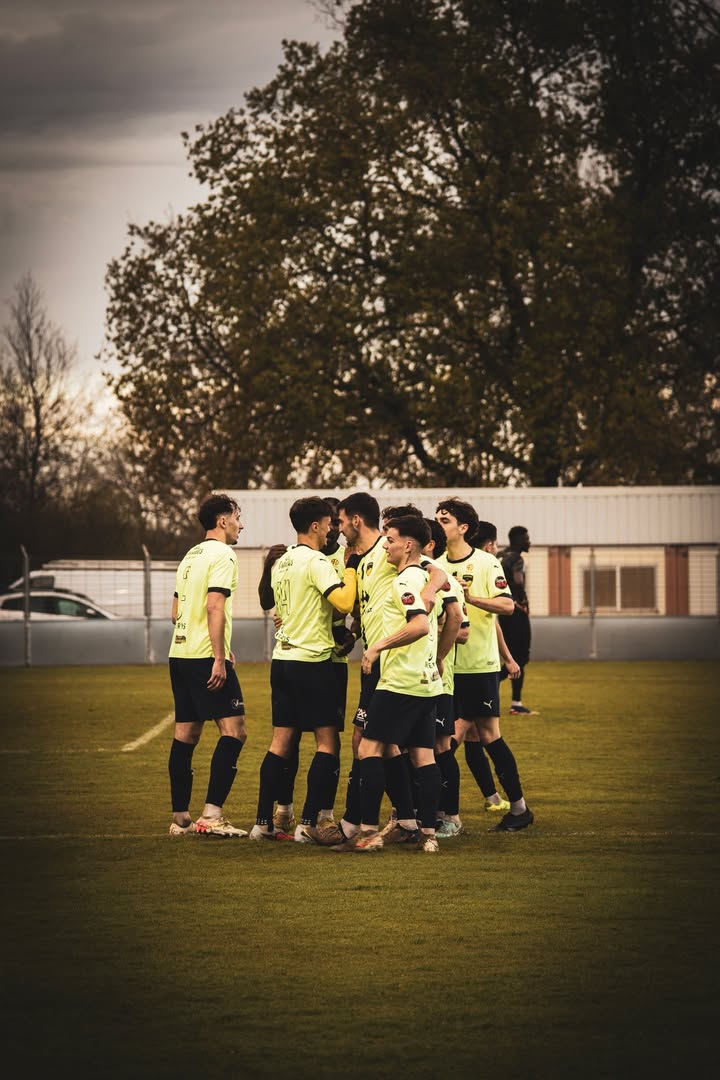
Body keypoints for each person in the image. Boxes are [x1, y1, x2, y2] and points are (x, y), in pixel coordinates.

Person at [310, 494, 446, 847]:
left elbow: (437, 572)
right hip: (378, 660)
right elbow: (367, 608)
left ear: (355, 521)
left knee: (365, 742)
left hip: (391, 664)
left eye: (340, 522)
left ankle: (358, 826)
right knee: (392, 748)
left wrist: (430, 593)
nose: (337, 530)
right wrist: (355, 633)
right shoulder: (360, 559)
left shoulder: (392, 556)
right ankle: (407, 820)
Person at [250, 496, 358, 841]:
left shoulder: (282, 562)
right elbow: (343, 602)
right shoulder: (316, 561)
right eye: (329, 524)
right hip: (314, 661)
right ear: (315, 525)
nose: (332, 530)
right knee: (327, 743)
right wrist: (352, 569)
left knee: (281, 741)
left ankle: (263, 824)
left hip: (283, 660)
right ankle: (308, 823)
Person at [435, 498, 534, 831]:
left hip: (479, 667)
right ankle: (447, 814)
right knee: (446, 740)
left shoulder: (487, 563)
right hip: (445, 670)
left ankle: (517, 809)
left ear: (463, 528)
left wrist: (471, 598)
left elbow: (506, 607)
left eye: (445, 520)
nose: (440, 524)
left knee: (483, 736)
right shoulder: (434, 565)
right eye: (437, 519)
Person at [167, 492, 249, 838]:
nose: (240, 525)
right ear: (223, 519)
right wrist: (218, 655)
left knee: (186, 733)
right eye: (237, 517)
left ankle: (180, 817)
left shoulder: (190, 556)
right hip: (204, 656)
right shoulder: (223, 554)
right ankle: (212, 816)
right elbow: (215, 606)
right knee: (235, 731)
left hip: (180, 654)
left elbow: (175, 613)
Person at [499, 525, 539, 715]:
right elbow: (518, 581)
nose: (528, 541)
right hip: (516, 611)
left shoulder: (499, 555)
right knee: (520, 657)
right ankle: (516, 703)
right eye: (526, 538)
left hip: (501, 611)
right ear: (517, 540)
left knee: (507, 655)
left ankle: (488, 690)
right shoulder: (517, 559)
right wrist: (522, 603)